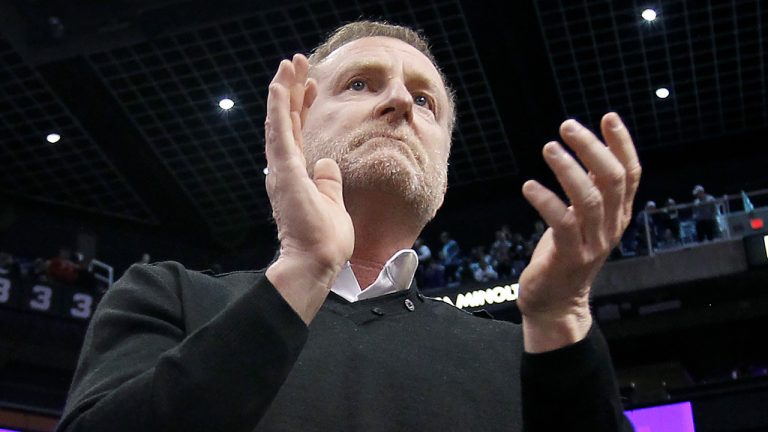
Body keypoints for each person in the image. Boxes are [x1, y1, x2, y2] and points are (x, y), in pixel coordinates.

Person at [58, 21, 641, 431]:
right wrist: (304, 270)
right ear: (294, 124)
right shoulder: (169, 296)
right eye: (361, 84)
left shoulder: (529, 358)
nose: (400, 104)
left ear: (443, 163)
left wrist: (563, 319)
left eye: (426, 100)